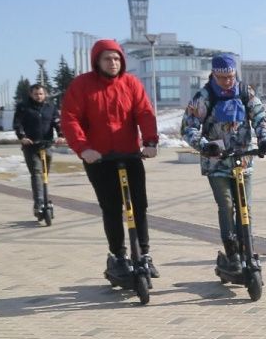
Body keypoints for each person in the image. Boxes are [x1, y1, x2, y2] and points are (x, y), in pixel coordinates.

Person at [60, 39, 160, 279]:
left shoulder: (131, 83)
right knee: (112, 208)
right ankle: (118, 255)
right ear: (97, 61)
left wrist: (150, 142)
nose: (113, 63)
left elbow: (144, 112)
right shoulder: (82, 85)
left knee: (138, 206)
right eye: (107, 58)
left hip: (130, 154)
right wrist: (84, 149)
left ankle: (144, 254)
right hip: (99, 159)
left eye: (116, 58)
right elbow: (70, 119)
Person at [180, 54, 266, 271]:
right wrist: (204, 145)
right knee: (228, 205)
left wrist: (265, 139)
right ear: (214, 75)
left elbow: (260, 117)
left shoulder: (244, 92)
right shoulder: (204, 96)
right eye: (222, 78)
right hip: (217, 163)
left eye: (231, 77)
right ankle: (232, 252)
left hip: (243, 160)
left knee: (245, 208)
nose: (227, 82)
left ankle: (247, 249)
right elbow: (188, 127)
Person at [14, 83, 63, 218]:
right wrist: (22, 137)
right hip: (31, 146)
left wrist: (61, 135)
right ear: (31, 94)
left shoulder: (50, 107)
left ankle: (45, 200)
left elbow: (57, 122)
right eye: (36, 94)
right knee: (36, 173)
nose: (39, 96)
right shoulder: (23, 107)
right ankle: (39, 203)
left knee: (45, 174)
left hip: (46, 145)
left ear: (45, 94)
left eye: (41, 94)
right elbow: (17, 124)